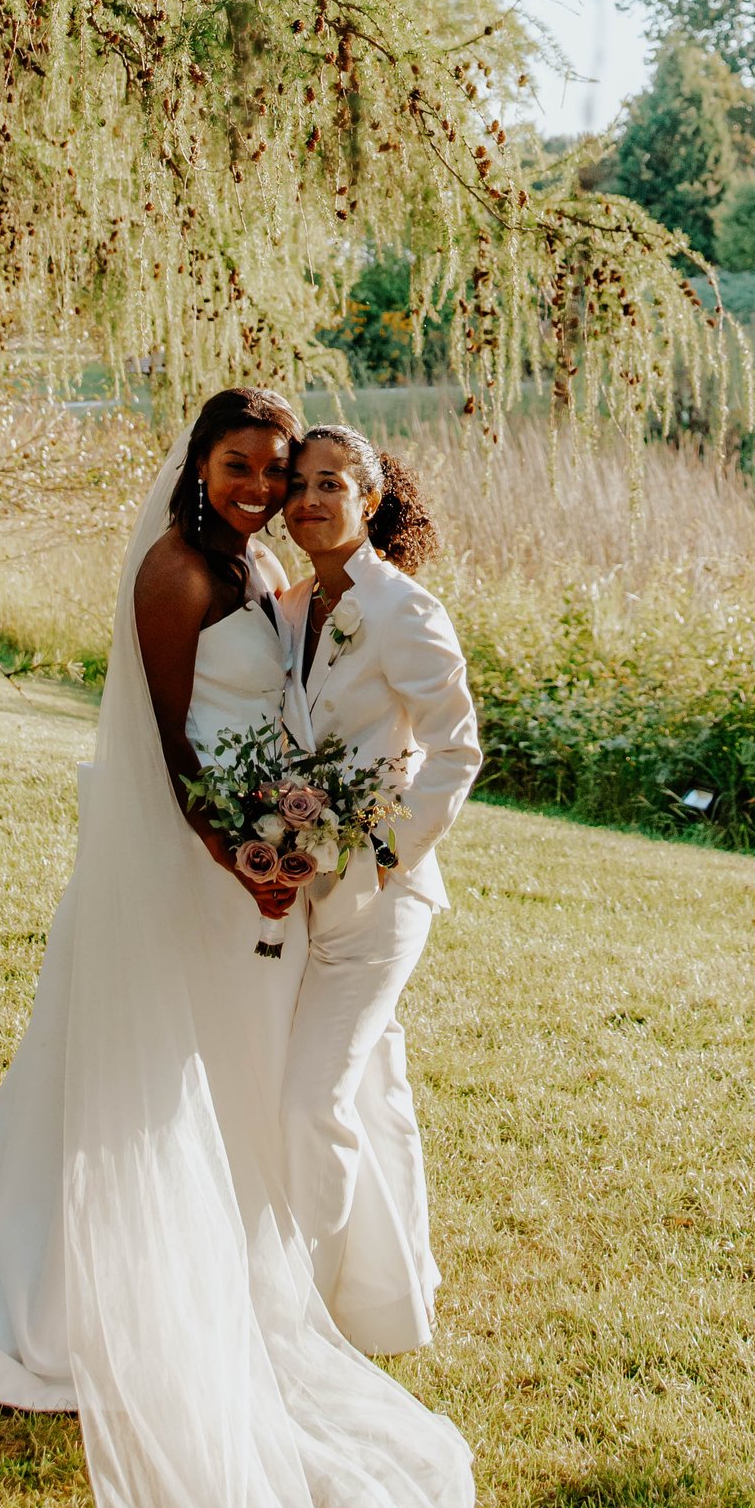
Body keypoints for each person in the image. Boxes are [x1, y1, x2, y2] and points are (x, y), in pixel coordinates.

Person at [0, 390, 650, 1508]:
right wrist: (241, 843)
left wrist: (317, 841)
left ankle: (292, 1268)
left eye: (286, 471)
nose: (267, 486)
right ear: (201, 465)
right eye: (250, 467)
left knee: (254, 1090)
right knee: (170, 1080)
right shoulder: (183, 572)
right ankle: (59, 1278)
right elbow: (171, 742)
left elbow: (405, 736)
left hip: (287, 880)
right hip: (201, 867)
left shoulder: (293, 579)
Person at [276, 427, 479, 1352]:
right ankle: (392, 1298)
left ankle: (304, 1310)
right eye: (297, 484)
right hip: (306, 889)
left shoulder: (401, 608)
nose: (309, 500)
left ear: (370, 498)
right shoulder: (293, 607)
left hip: (381, 900)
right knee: (374, 1094)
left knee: (311, 1100)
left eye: (331, 484)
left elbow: (456, 749)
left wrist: (384, 853)